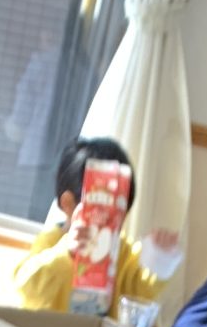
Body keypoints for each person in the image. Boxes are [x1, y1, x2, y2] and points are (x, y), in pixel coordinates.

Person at [11, 133, 182, 317]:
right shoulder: (52, 241)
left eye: (120, 212)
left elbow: (140, 292)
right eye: (101, 209)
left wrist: (159, 259)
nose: (109, 221)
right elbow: (26, 287)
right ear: (68, 204)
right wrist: (66, 252)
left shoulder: (123, 252)